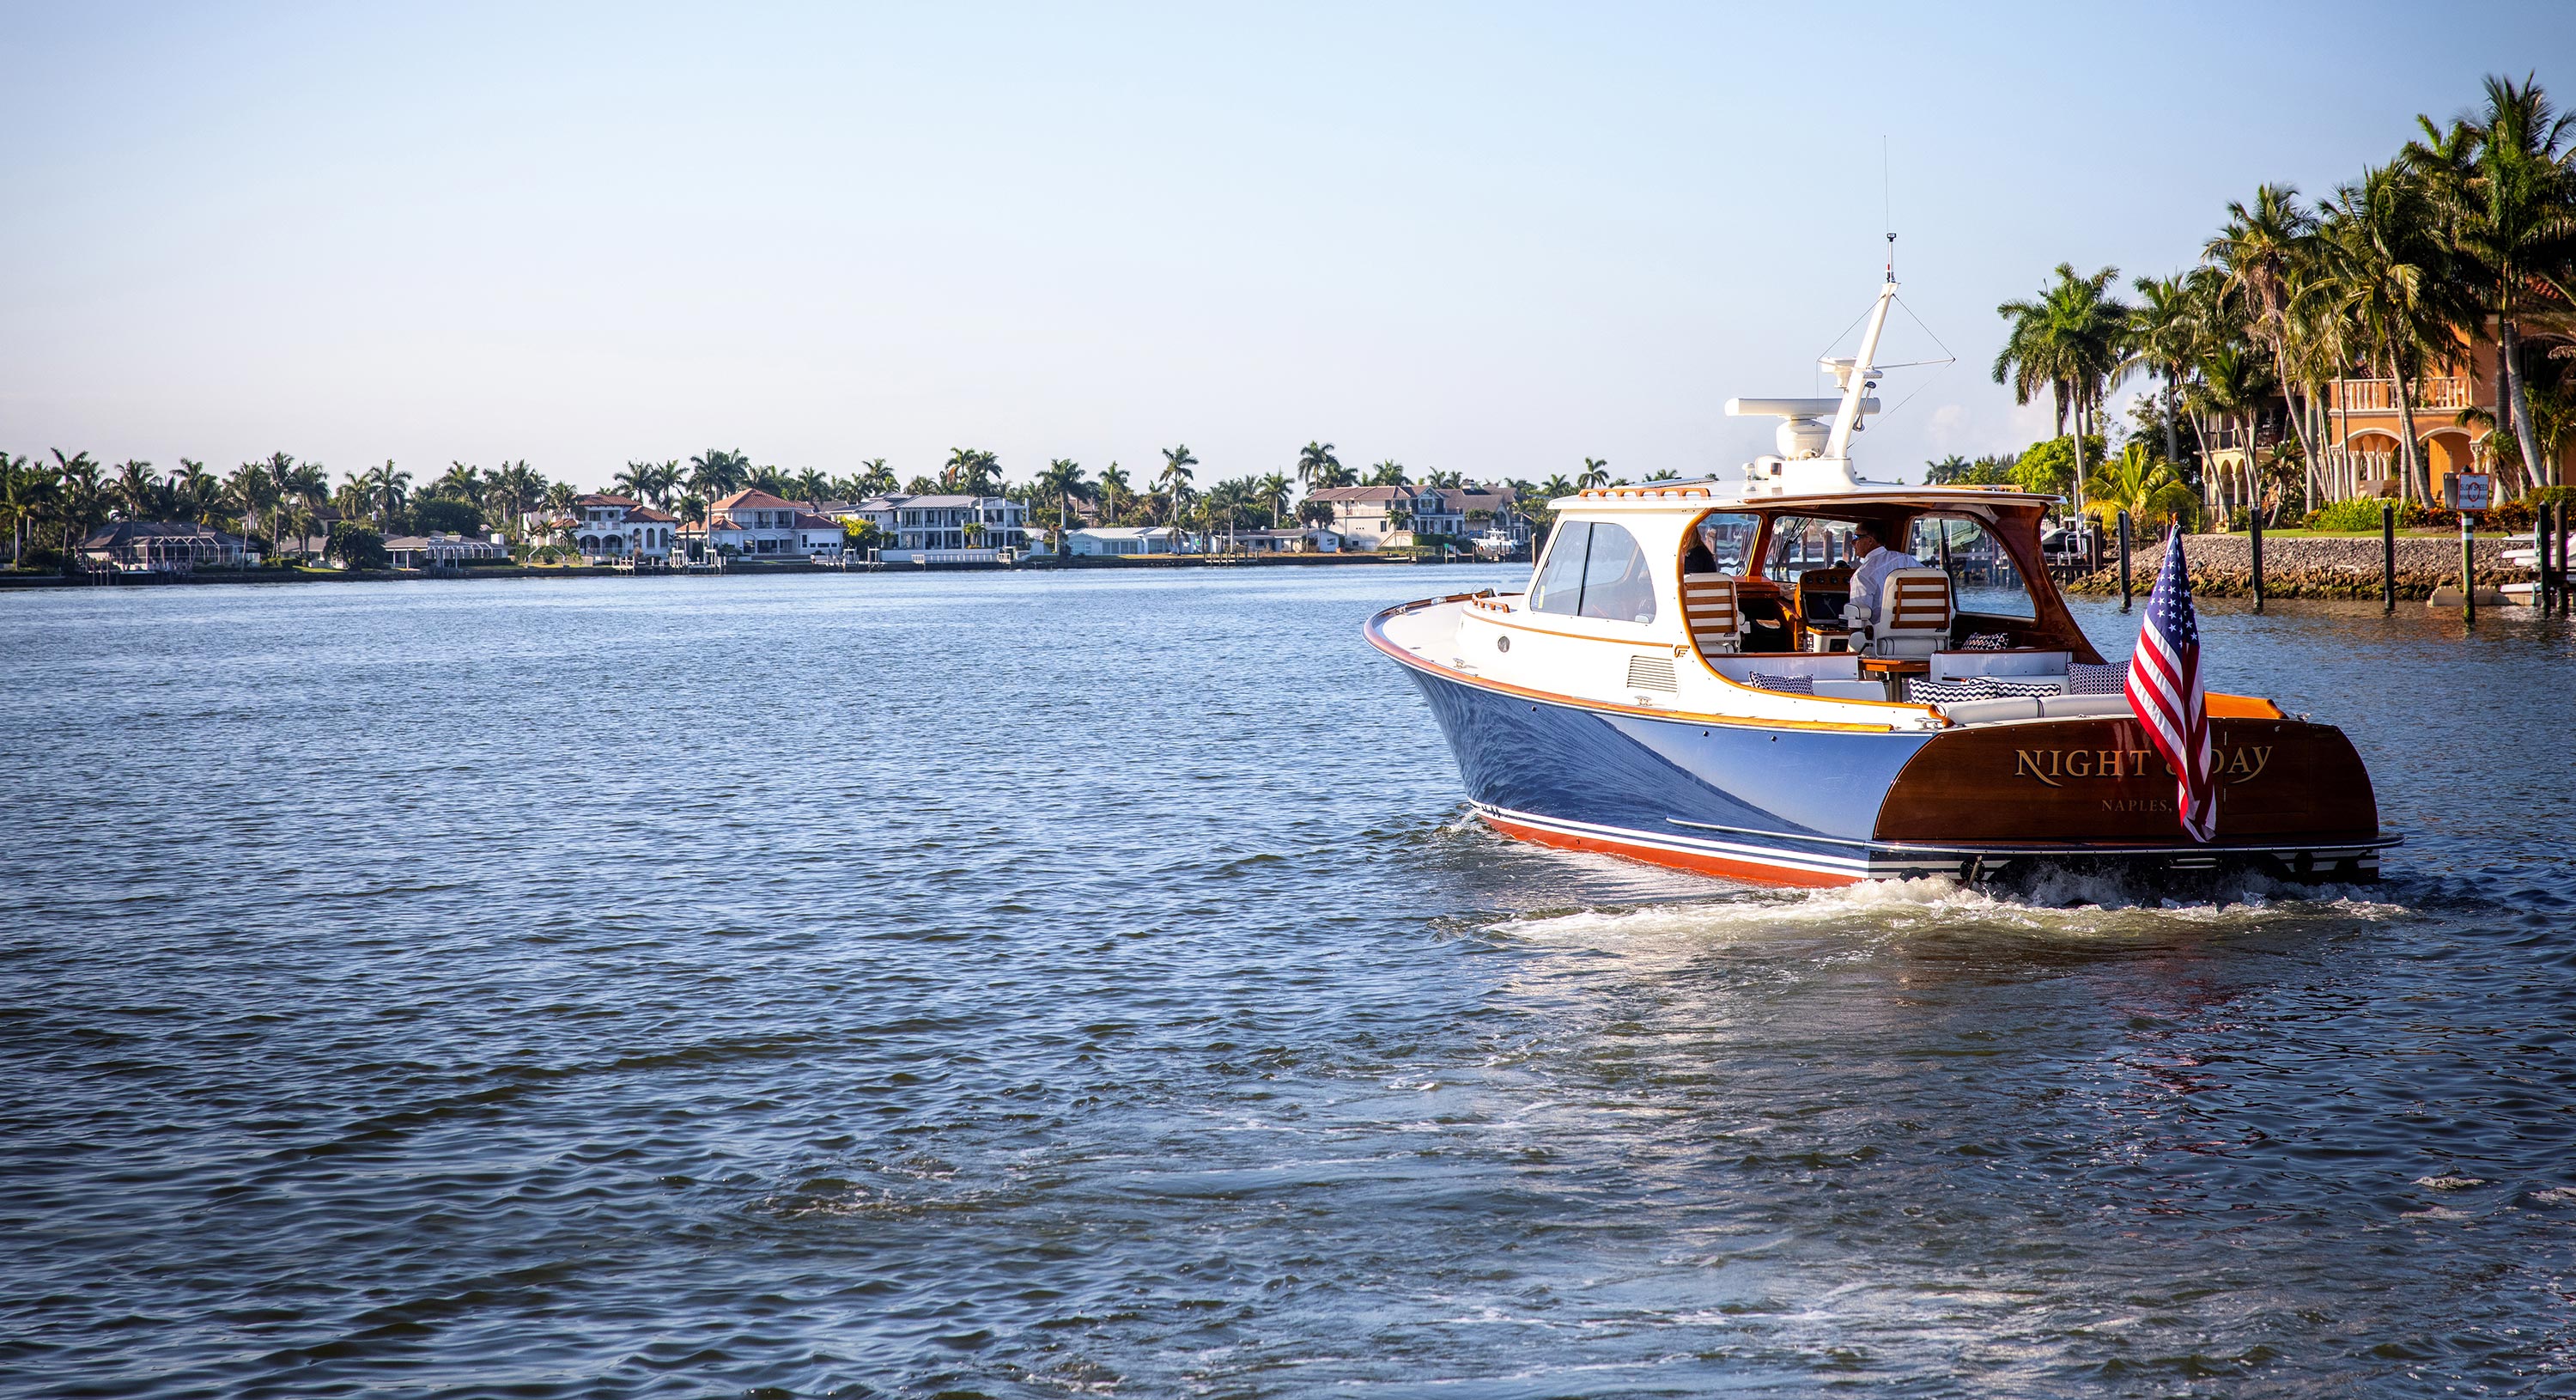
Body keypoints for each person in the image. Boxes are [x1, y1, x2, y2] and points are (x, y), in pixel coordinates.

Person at [1844, 522, 1922, 630]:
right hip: (1919, 635)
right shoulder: (1907, 560)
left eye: (1856, 537)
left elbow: (1858, 620)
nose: (1852, 543)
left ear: (1870, 541)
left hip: (1880, 640)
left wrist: (1851, 645)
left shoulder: (1863, 574)